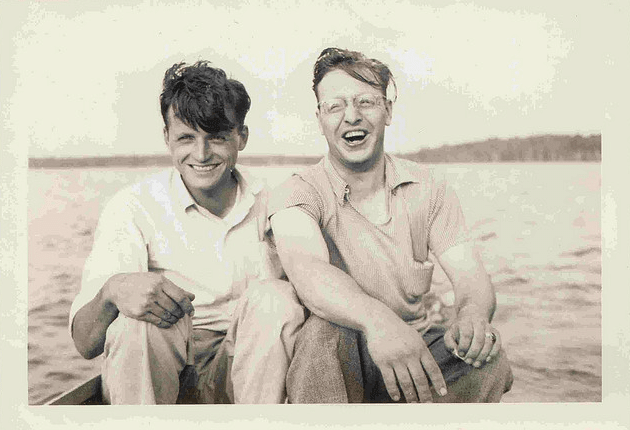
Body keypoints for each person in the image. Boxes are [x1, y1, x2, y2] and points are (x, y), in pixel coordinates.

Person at [269, 47, 513, 403]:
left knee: (488, 361)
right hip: (339, 356)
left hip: (413, 346)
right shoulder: (297, 191)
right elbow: (309, 271)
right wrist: (378, 323)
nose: (351, 116)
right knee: (324, 334)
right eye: (335, 106)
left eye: (366, 102)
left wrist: (472, 316)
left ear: (388, 111)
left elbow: (471, 277)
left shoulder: (429, 187)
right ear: (320, 118)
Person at [69, 61, 305, 404]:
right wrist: (112, 290)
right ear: (167, 138)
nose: (202, 154)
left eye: (217, 137)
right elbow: (84, 343)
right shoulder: (133, 207)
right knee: (136, 321)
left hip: (250, 382)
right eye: (186, 138)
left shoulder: (277, 201)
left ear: (242, 136)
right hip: (163, 381)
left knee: (276, 299)